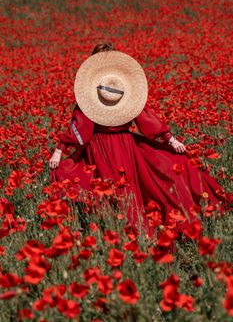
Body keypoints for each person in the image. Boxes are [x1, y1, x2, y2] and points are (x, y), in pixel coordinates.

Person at [49, 42, 232, 236]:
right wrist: (170, 139)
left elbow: (80, 128)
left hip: (101, 147)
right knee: (125, 189)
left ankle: (120, 232)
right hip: (122, 145)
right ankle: (126, 231)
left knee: (114, 190)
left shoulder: (91, 96)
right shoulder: (126, 92)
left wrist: (59, 150)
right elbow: (147, 119)